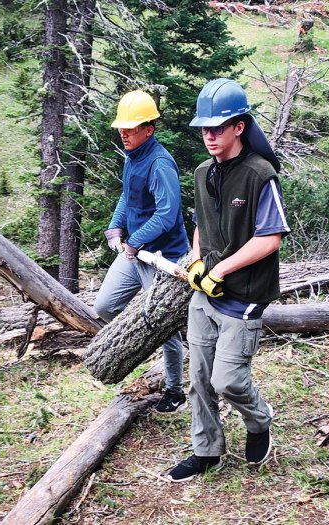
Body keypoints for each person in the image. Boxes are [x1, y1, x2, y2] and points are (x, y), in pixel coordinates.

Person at [166, 78, 290, 482]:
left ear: (239, 126)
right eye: (204, 128)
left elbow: (270, 239)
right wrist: (200, 261)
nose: (209, 136)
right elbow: (203, 224)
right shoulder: (203, 172)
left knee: (227, 379)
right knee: (200, 378)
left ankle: (259, 419)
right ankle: (206, 451)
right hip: (206, 294)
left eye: (217, 127)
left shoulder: (260, 175)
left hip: (245, 295)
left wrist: (220, 269)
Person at [94, 90, 190, 413]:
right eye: (122, 127)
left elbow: (167, 213)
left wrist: (135, 241)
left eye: (131, 128)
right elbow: (128, 196)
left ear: (149, 129)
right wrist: (115, 226)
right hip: (136, 253)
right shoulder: (131, 157)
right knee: (105, 305)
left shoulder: (160, 164)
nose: (124, 133)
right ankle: (144, 338)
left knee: (164, 327)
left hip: (163, 259)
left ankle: (175, 390)